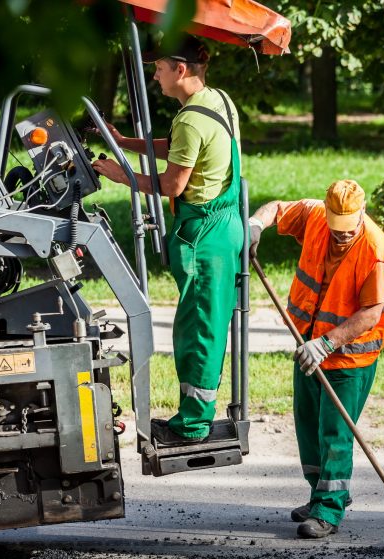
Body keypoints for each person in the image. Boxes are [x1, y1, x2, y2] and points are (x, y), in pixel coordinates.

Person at [92, 34, 243, 446]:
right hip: (222, 226)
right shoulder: (217, 101)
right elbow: (180, 150)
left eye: (159, 68)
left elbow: (174, 185)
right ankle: (191, 416)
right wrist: (125, 143)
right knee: (197, 327)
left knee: (198, 332)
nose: (154, 75)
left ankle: (194, 424)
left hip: (204, 237)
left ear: (180, 69)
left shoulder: (190, 117)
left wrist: (120, 174)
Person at [248, 180, 384, 539]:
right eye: (336, 229)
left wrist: (327, 343)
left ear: (361, 215)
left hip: (349, 359)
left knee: (335, 433)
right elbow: (278, 209)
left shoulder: (375, 251)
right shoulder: (316, 216)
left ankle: (330, 509)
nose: (341, 236)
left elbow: (370, 313)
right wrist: (253, 226)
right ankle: (320, 495)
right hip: (308, 346)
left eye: (348, 230)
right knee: (309, 428)